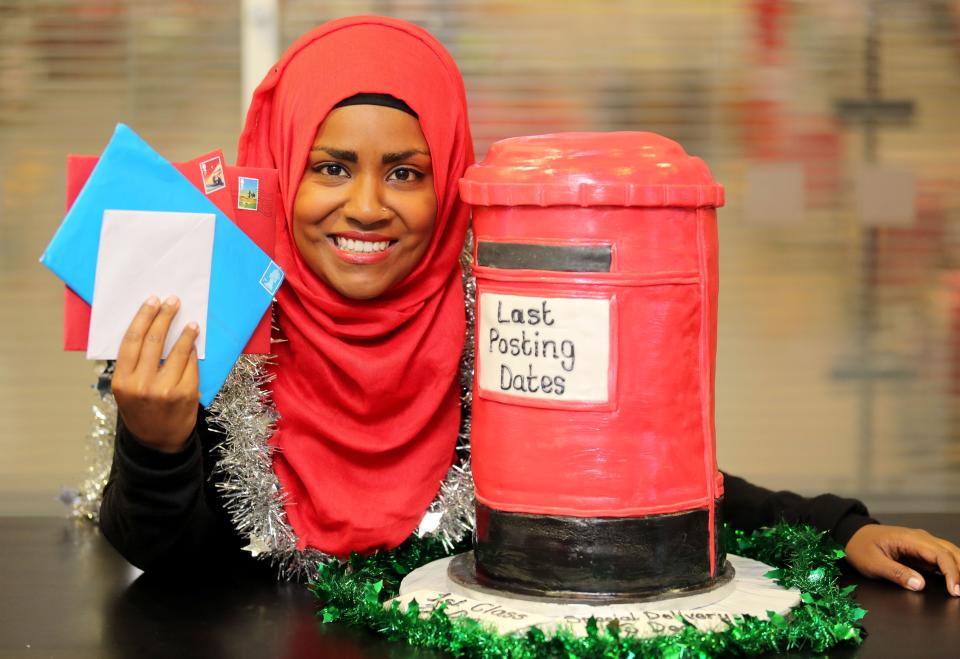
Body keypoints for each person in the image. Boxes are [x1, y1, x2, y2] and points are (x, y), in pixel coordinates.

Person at [99, 16, 960, 596]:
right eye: (330, 167)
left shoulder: (502, 321)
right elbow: (172, 562)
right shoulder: (220, 328)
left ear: (452, 185)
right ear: (281, 169)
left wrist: (837, 529)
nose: (366, 205)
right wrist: (156, 440)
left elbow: (617, 482)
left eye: (406, 171)